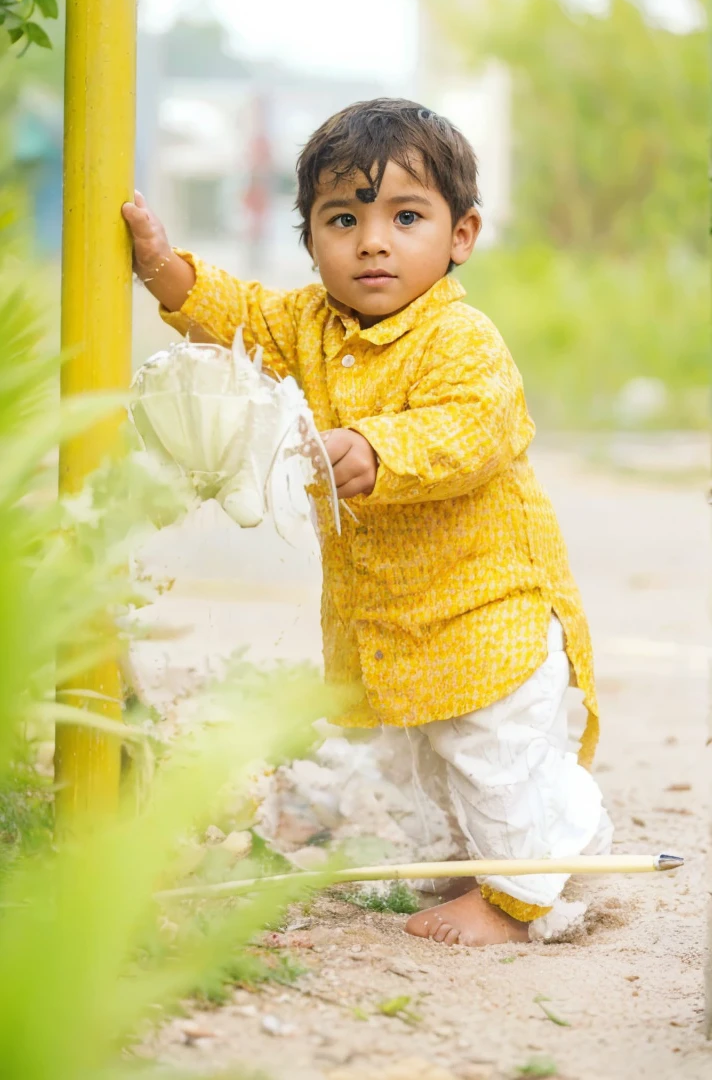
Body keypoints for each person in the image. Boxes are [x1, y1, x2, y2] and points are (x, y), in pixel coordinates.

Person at [123, 97, 612, 946]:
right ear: (310, 239)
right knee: (435, 758)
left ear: (461, 236)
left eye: (406, 216)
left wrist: (376, 451)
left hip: (485, 606)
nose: (372, 241)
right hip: (397, 617)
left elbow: (471, 431)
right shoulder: (305, 325)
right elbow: (236, 313)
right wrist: (167, 271)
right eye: (342, 218)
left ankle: (519, 899)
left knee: (496, 754)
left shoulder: (462, 338)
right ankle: (519, 862)